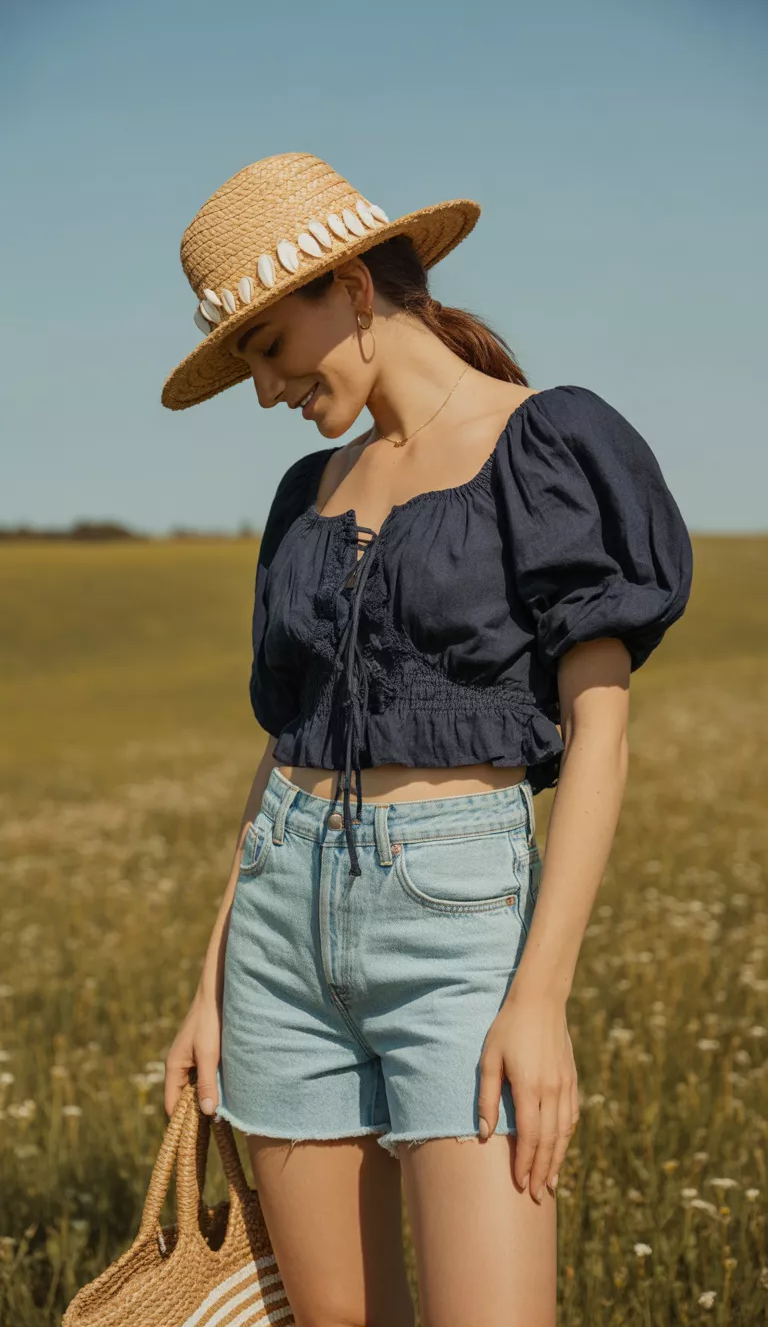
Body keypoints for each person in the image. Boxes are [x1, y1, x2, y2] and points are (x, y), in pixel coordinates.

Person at [160, 152, 693, 1327]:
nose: (264, 391)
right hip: (277, 938)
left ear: (350, 288)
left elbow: (599, 733)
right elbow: (288, 745)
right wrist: (210, 987)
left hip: (457, 928)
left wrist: (540, 996)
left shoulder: (546, 445)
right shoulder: (307, 495)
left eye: (265, 348)